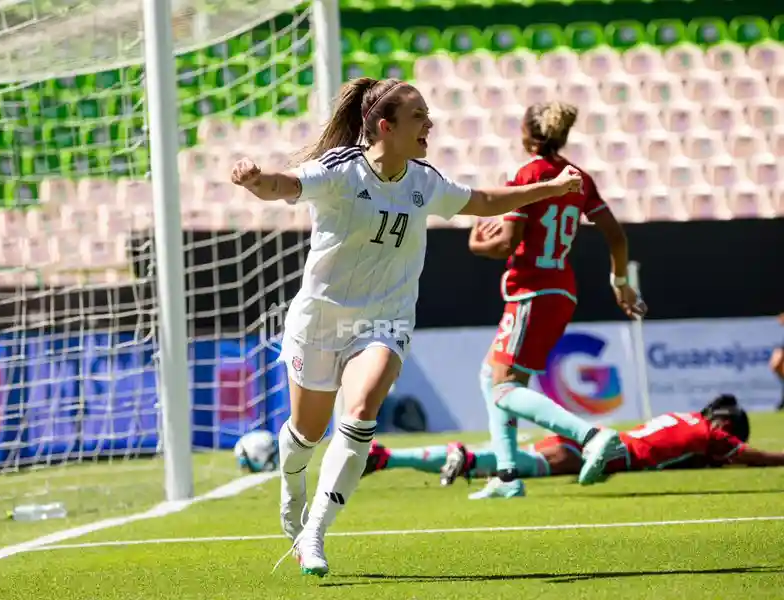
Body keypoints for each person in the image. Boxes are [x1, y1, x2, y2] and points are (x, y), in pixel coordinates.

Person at [230, 77, 584, 577]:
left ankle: (315, 532)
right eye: (419, 116)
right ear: (384, 126)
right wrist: (252, 178)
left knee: (359, 412)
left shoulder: (424, 180)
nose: (430, 125)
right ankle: (292, 488)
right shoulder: (341, 171)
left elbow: (481, 201)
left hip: (385, 320)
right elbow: (282, 186)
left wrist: (547, 189)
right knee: (307, 434)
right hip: (321, 318)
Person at [464, 102, 647, 500]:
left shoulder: (525, 175)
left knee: (505, 387)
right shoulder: (577, 177)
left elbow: (505, 244)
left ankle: (592, 435)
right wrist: (620, 281)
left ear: (527, 134)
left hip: (532, 290)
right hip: (560, 290)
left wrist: (477, 243)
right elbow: (615, 235)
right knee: (491, 375)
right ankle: (508, 474)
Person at [362, 394, 784, 482]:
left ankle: (389, 458)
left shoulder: (688, 418)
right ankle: (389, 458)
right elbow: (754, 457)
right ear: (727, 426)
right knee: (502, 463)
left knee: (499, 457)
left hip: (599, 444)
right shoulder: (711, 435)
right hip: (603, 453)